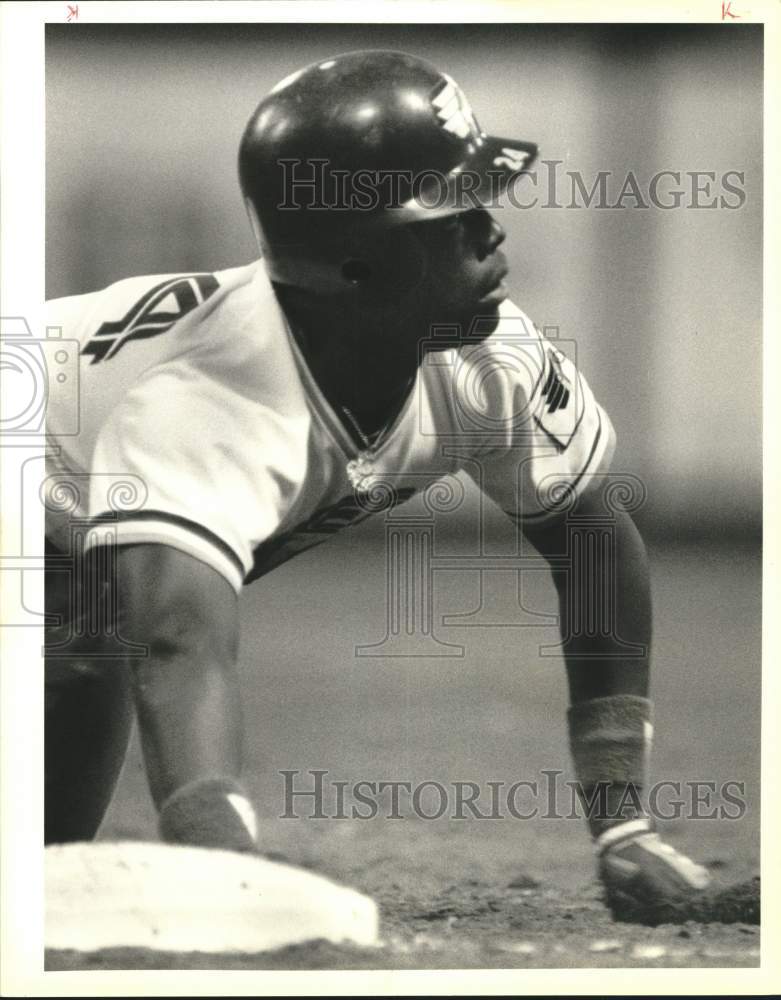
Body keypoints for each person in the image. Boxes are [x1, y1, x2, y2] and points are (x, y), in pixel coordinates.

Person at [43, 49, 723, 925]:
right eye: (449, 212)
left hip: (75, 555)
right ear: (354, 267)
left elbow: (590, 539)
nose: (491, 229)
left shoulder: (490, 355)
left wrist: (619, 825)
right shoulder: (210, 403)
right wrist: (228, 875)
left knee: (41, 870)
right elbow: (178, 648)